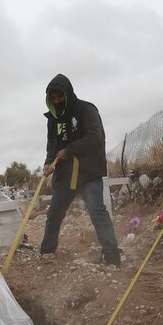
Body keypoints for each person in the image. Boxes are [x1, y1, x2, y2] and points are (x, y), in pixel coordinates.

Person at [40, 74, 121, 267]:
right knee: (54, 213)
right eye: (54, 98)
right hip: (65, 175)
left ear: (68, 94)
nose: (58, 101)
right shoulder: (53, 118)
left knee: (97, 210)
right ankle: (47, 252)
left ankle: (111, 255)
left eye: (61, 97)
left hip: (88, 172)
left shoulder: (86, 110)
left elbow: (95, 136)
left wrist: (69, 150)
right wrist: (49, 162)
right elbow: (52, 144)